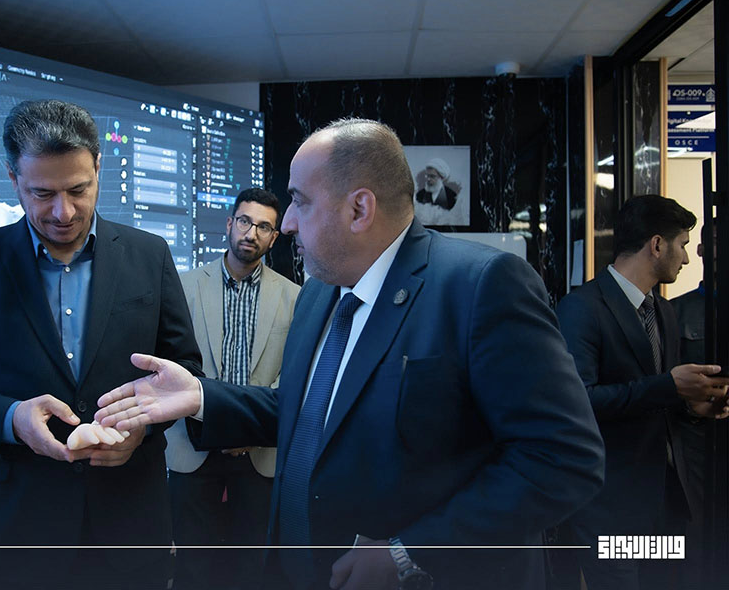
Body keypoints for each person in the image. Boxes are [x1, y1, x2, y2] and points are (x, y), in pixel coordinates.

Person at [95, 118, 605, 590]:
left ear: (359, 209)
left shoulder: (480, 286)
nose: (287, 224)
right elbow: (309, 412)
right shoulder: (320, 291)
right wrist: (201, 396)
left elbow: (563, 458)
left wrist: (410, 553)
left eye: (299, 202)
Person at [0, 99, 203, 590]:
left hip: (130, 524)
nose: (63, 212)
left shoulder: (149, 255)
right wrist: (12, 419)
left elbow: (182, 370)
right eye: (42, 193)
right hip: (18, 531)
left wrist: (141, 426)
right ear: (13, 179)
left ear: (98, 169)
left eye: (78, 189)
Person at [556, 196, 728, 590]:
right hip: (611, 504)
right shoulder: (582, 308)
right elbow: (579, 402)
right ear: (657, 245)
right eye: (683, 244)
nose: (687, 258)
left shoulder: (663, 311)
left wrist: (693, 406)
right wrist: (669, 386)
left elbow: (658, 402)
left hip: (665, 502)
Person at [168, 187, 300, 590]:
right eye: (245, 221)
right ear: (229, 224)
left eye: (264, 227)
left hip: (258, 453)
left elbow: (293, 373)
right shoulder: (184, 286)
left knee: (251, 569)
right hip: (193, 448)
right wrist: (217, 423)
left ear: (274, 238)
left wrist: (249, 427)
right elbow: (173, 360)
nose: (251, 233)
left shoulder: (295, 297)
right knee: (193, 570)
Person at [670, 221, 718, 590]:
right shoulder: (675, 313)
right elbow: (660, 387)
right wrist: (691, 408)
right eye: (714, 242)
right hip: (696, 446)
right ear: (701, 251)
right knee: (696, 542)